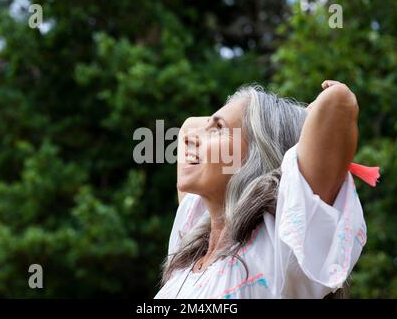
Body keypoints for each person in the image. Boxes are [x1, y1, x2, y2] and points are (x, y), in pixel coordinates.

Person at [154, 80, 370, 299]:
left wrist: (288, 126)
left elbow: (338, 102)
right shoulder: (192, 241)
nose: (192, 139)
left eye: (218, 129)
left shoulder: (278, 249)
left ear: (257, 156)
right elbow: (189, 127)